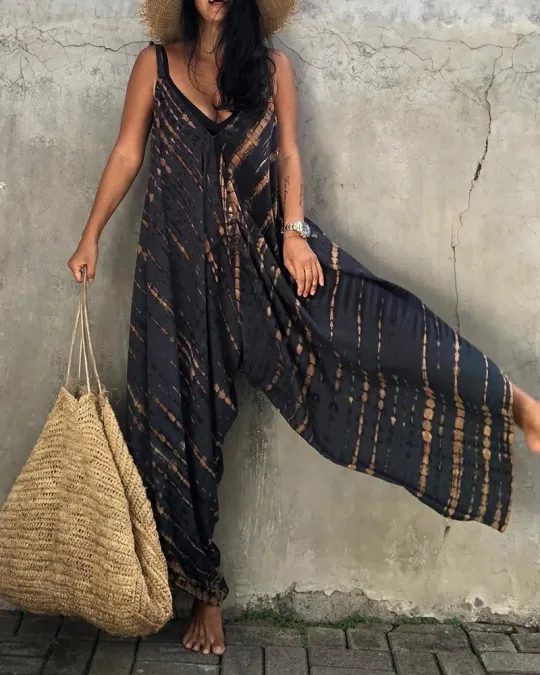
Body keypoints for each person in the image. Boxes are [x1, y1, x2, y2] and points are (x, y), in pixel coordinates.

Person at [68, 0, 540, 657]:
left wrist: (294, 234)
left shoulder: (273, 70)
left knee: (377, 331)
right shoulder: (154, 65)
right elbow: (127, 152)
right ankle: (204, 591)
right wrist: (91, 234)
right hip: (176, 276)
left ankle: (511, 401)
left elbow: (288, 155)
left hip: (268, 265)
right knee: (182, 427)